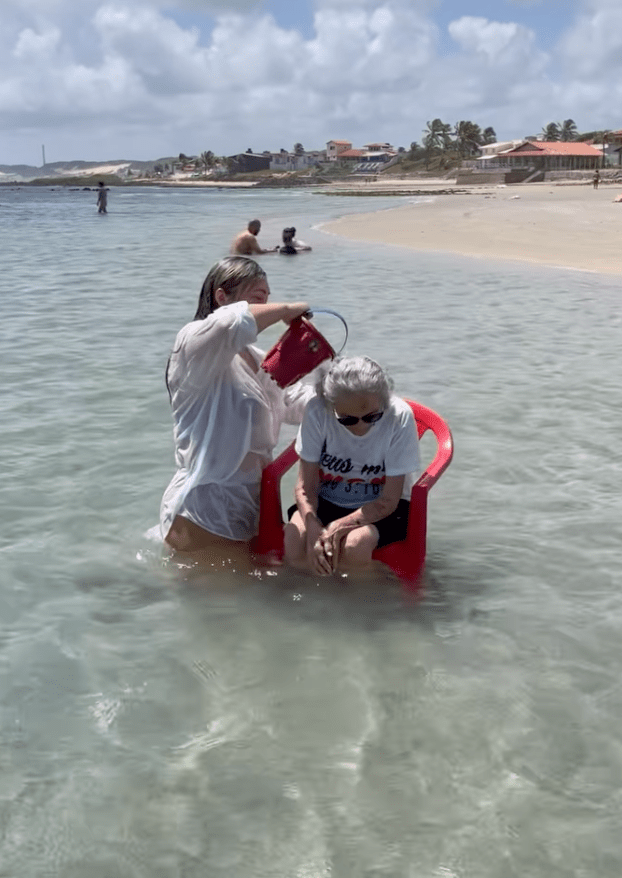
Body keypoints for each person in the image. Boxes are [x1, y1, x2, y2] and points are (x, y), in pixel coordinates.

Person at [160, 256, 313, 561]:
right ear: (222, 297)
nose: (268, 301)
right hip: (203, 511)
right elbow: (231, 321)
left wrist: (364, 399)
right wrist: (286, 310)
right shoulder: (192, 343)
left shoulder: (257, 357)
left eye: (268, 296)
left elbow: (294, 400)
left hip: (249, 508)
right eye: (259, 297)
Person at [284, 357, 420, 575]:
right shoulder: (317, 411)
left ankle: (360, 603)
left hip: (381, 508)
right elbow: (304, 487)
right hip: (327, 499)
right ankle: (307, 600)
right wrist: (312, 526)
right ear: (331, 406)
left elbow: (389, 501)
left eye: (372, 417)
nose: (361, 426)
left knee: (354, 546)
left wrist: (335, 528)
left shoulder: (399, 416)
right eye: (348, 420)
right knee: (294, 539)